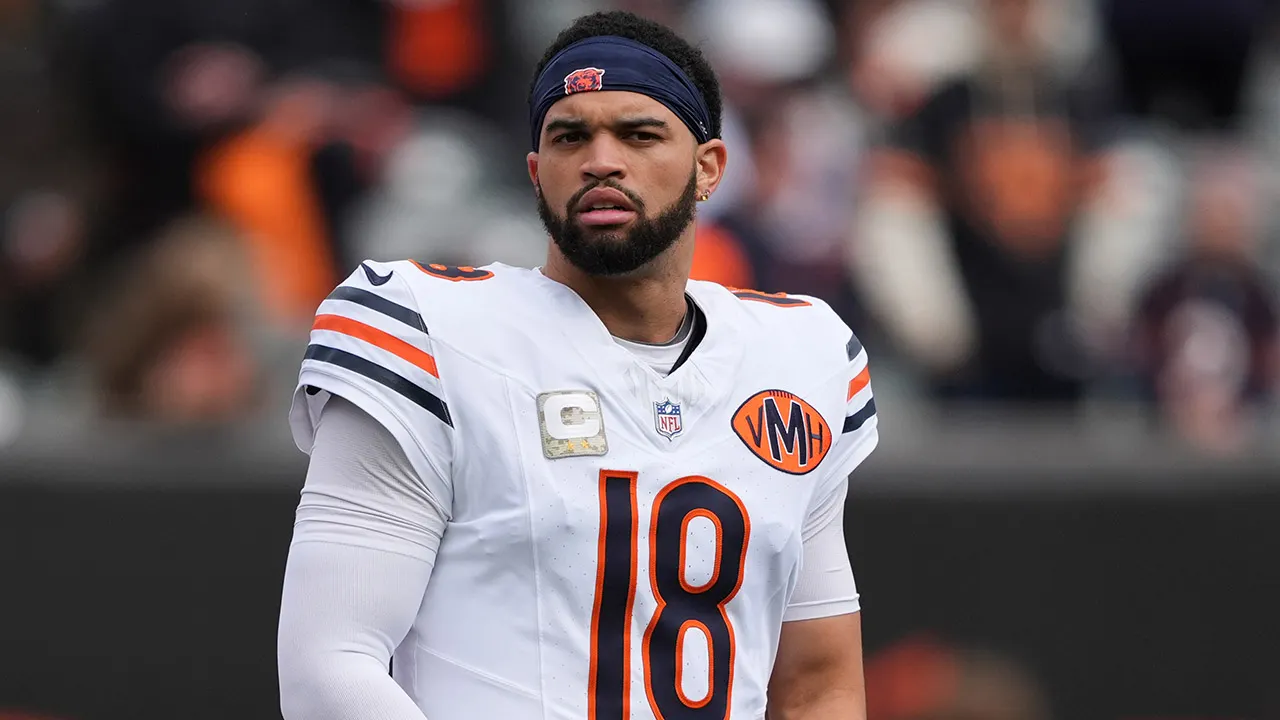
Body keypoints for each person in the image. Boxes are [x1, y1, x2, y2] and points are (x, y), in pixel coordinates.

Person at [277, 11, 879, 720]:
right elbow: (329, 669)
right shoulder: (430, 331)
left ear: (709, 167)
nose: (600, 160)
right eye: (570, 135)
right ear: (537, 173)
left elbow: (817, 685)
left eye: (638, 132)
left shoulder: (800, 356)